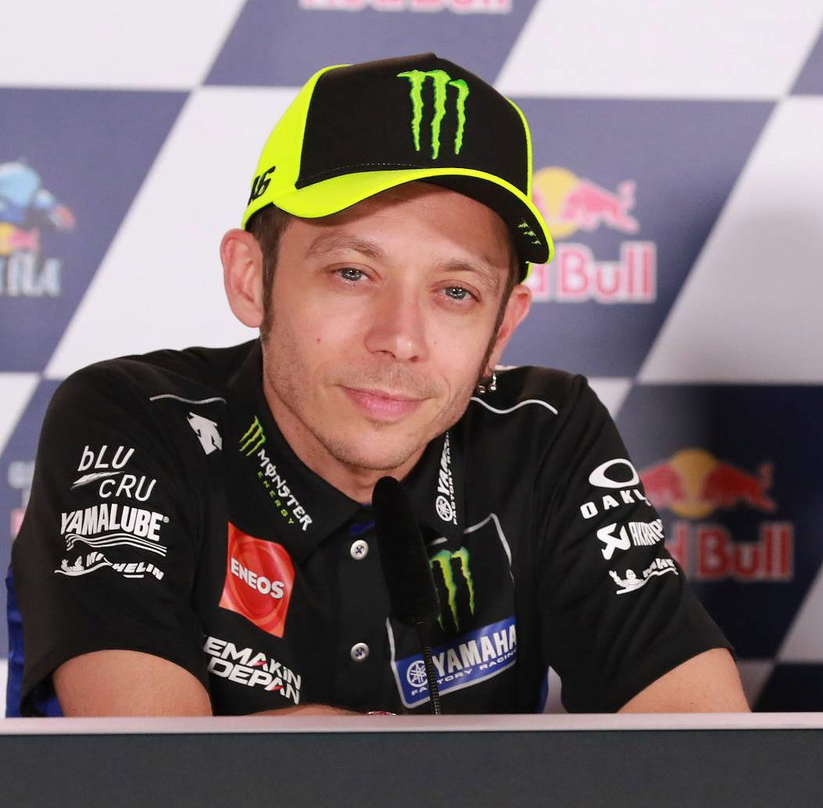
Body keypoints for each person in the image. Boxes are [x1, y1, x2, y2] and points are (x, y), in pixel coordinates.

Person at [10, 54, 746, 716]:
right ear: (251, 279)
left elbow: (705, 747)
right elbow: (149, 771)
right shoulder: (137, 416)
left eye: (455, 292)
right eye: (352, 273)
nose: (401, 338)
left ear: (503, 326)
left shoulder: (544, 430)